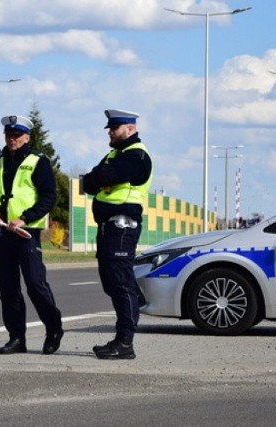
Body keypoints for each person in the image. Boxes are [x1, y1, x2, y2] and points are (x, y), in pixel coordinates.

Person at [0, 114, 63, 355]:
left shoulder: (39, 162)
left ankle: (54, 329)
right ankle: (17, 338)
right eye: (8, 135)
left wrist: (24, 218)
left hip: (26, 233)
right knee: (8, 289)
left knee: (35, 284)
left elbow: (48, 197)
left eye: (17, 135)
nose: (12, 139)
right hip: (2, 233)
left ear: (27, 137)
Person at [82, 109, 153, 360]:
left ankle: (126, 342)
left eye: (114, 129)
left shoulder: (137, 155)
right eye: (110, 129)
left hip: (122, 227)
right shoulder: (114, 154)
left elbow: (104, 175)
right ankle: (123, 331)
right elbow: (89, 182)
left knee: (121, 282)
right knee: (111, 282)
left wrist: (102, 177)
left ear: (130, 129)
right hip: (108, 228)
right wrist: (101, 178)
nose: (110, 133)